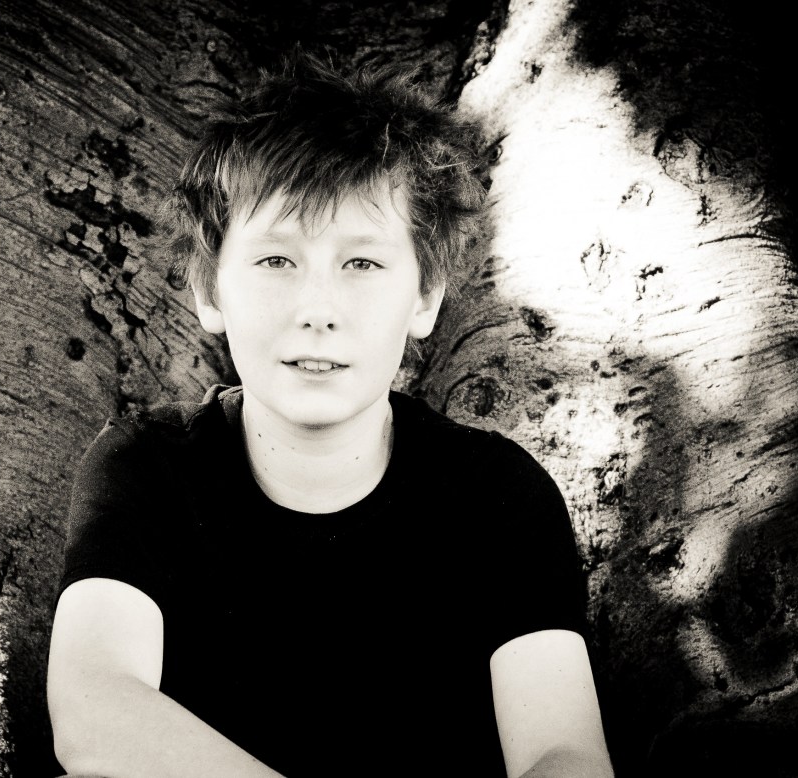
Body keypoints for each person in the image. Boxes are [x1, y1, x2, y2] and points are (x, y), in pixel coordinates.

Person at [47, 52, 614, 778]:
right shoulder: (147, 468)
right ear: (209, 289)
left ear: (425, 297)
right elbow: (95, 709)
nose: (318, 311)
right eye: (276, 261)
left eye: (362, 264)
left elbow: (565, 753)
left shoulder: (496, 494)